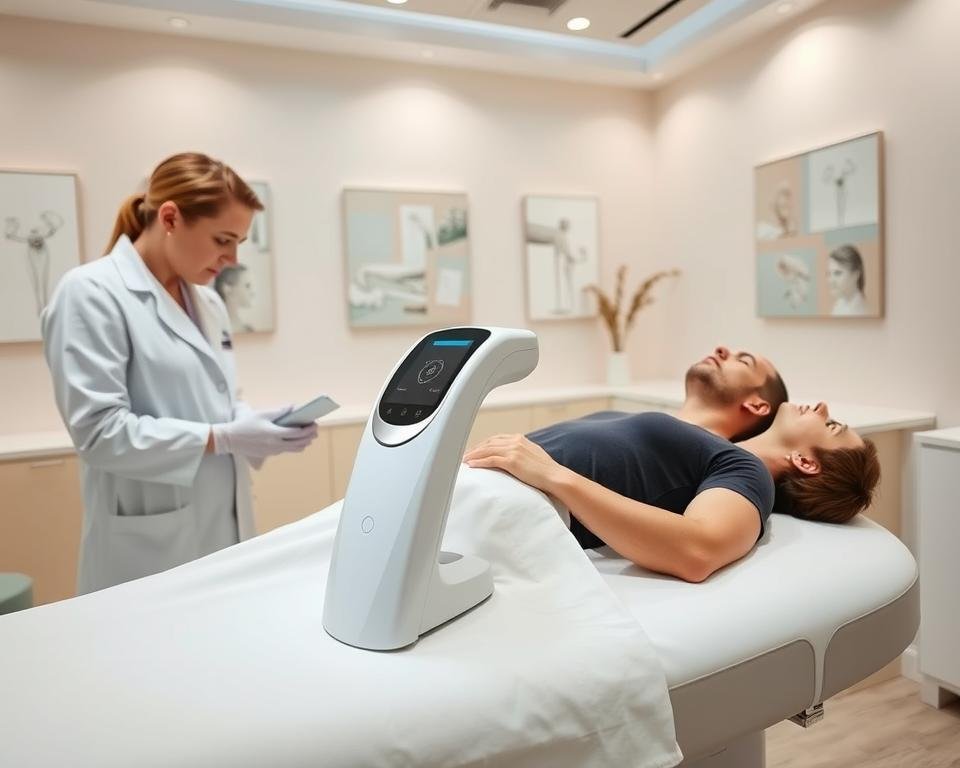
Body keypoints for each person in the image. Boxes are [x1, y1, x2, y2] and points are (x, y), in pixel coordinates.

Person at [41, 152, 318, 594]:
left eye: (239, 243)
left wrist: (255, 423)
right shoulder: (91, 294)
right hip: (148, 549)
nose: (231, 259)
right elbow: (99, 434)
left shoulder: (207, 302)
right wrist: (224, 437)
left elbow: (218, 400)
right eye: (222, 239)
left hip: (224, 529)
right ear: (169, 217)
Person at [464, 347, 879, 583]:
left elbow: (697, 550)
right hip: (473, 493)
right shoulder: (692, 440)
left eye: (832, 424)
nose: (822, 405)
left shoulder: (746, 471)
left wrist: (553, 475)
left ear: (805, 461)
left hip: (502, 513)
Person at [214, 263, 256, 333]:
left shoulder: (248, 330)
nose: (252, 292)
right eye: (247, 286)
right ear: (227, 289)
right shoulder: (214, 329)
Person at [827, 244, 868, 316]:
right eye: (829, 274)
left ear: (856, 275)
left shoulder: (861, 312)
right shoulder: (839, 306)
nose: (831, 281)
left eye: (838, 273)